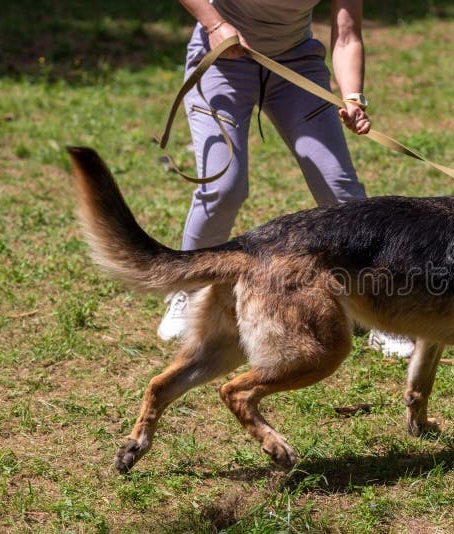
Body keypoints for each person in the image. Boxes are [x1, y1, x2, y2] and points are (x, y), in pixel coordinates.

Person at [159, 0, 414, 357]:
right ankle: (186, 292)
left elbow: (346, 35)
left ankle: (379, 311)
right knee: (223, 187)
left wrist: (353, 96)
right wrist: (215, 25)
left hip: (296, 66)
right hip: (223, 60)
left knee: (342, 192)